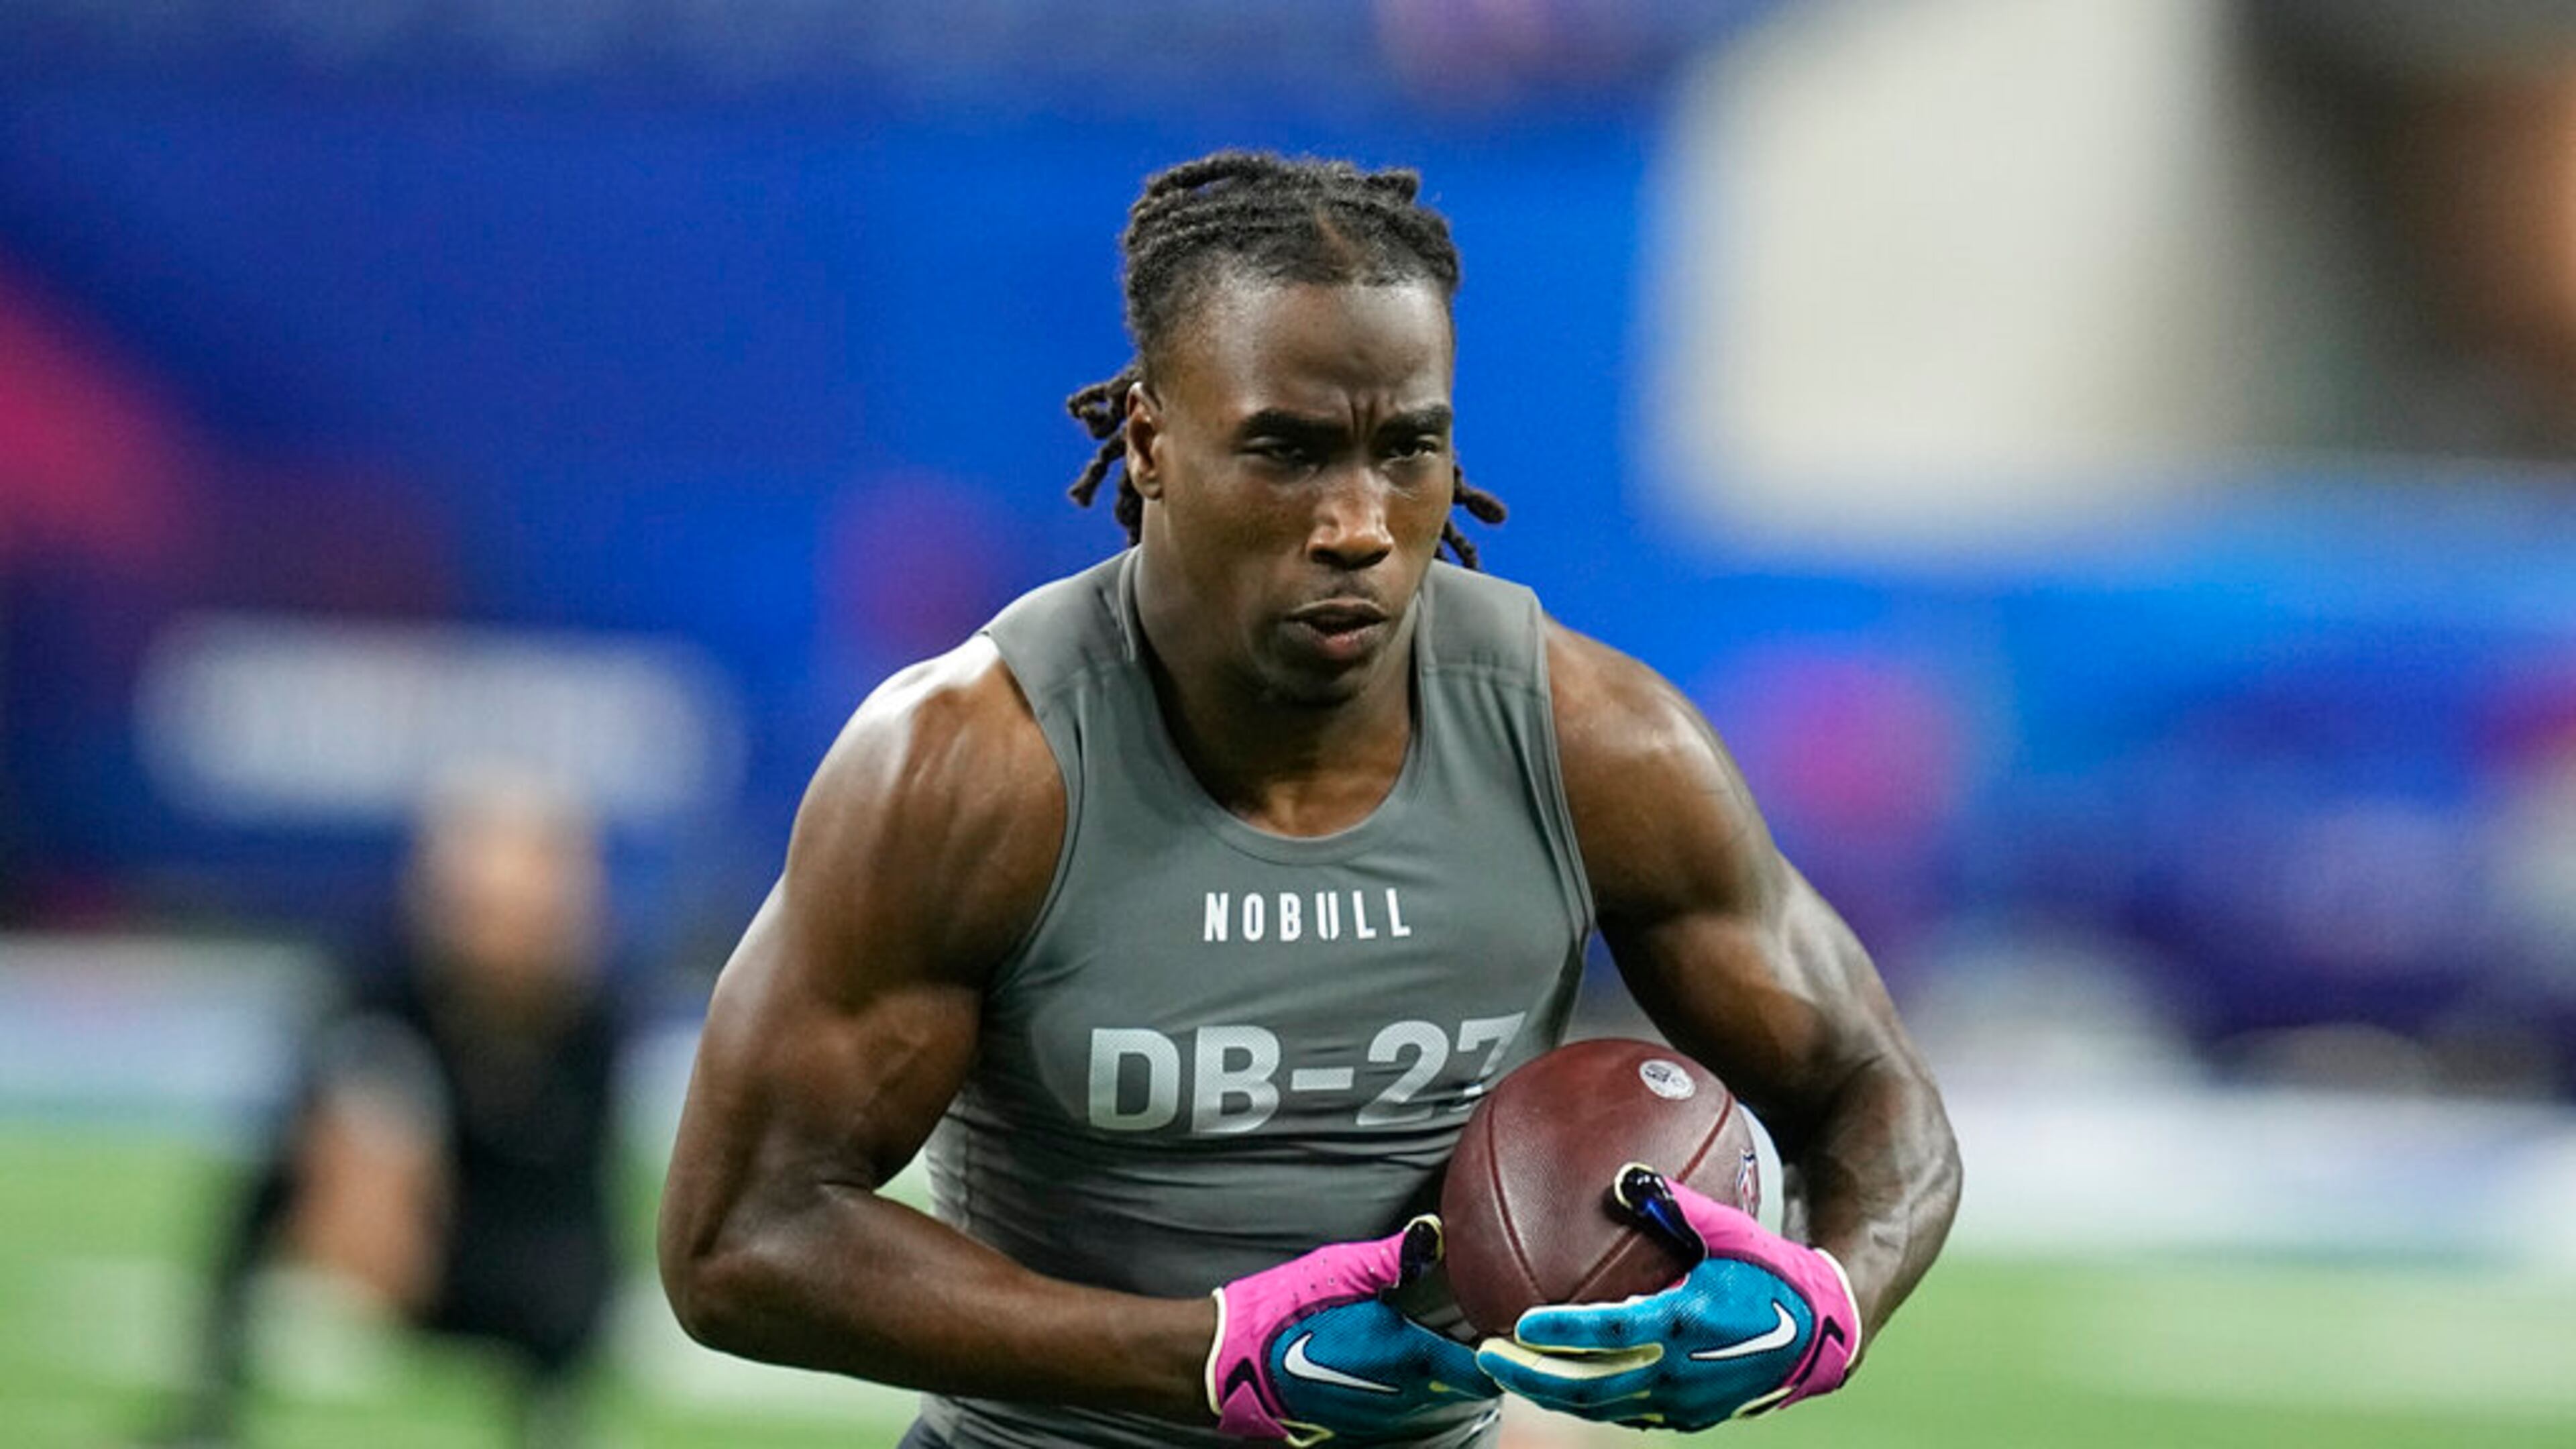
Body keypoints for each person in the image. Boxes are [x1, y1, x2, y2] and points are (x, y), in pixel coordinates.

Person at [658, 150, 1960, 1448]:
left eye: (1408, 450)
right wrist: (1208, 1355)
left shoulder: (1597, 743)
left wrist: (1821, 1297)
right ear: (1151, 442)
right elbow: (739, 1241)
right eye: (1288, 450)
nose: (1357, 521)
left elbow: (1868, 1091)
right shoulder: (972, 766)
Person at [154, 771, 625, 1449]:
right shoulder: (381, 982)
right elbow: (303, 1140)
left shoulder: (592, 1014)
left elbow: (580, 1193)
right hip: (393, 1238)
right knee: (296, 1158)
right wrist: (380, 1163)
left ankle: (552, 1414)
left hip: (515, 1250)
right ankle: (208, 1404)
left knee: (577, 1274)